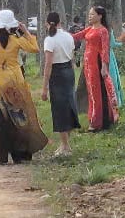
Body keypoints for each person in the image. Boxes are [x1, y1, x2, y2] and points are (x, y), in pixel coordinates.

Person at [0, 10, 48, 165]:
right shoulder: (16, 40)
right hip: (16, 82)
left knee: (1, 121)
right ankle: (19, 155)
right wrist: (25, 31)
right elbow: (34, 48)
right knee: (18, 119)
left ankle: (2, 157)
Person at [72, 6, 119, 132]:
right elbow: (77, 36)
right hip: (88, 65)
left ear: (100, 16)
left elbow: (104, 50)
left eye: (92, 14)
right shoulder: (90, 29)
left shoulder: (103, 31)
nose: (90, 16)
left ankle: (98, 121)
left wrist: (104, 67)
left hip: (96, 64)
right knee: (91, 92)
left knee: (96, 92)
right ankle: (93, 117)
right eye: (89, 14)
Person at [41, 12, 80, 157]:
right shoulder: (68, 36)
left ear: (47, 23)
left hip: (57, 74)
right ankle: (64, 144)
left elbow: (48, 65)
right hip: (68, 72)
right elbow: (72, 57)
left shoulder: (49, 40)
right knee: (69, 106)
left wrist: (44, 87)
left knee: (59, 109)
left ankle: (65, 145)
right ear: (60, 22)